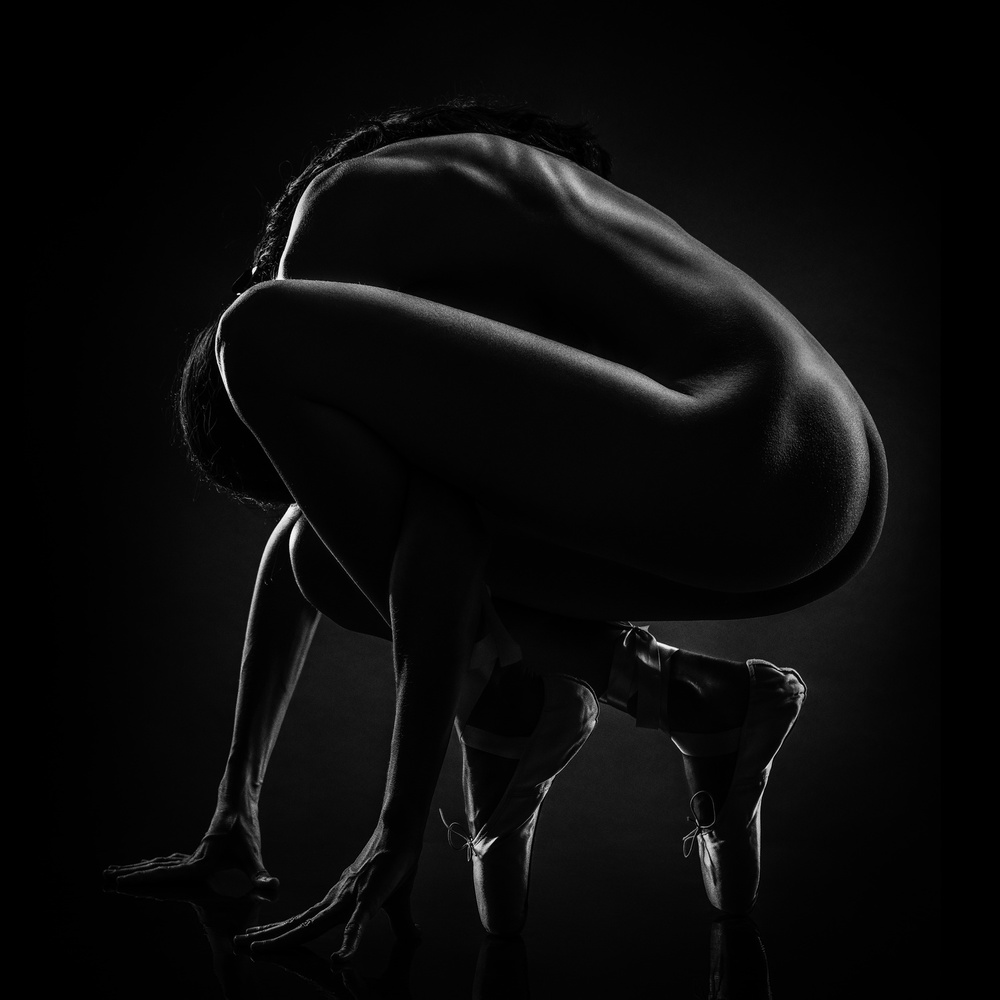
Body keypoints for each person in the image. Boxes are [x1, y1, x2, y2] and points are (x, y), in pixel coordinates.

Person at [104, 99, 887, 962]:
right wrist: (235, 806)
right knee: (324, 555)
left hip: (741, 458)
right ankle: (687, 697)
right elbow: (329, 537)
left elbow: (436, 533)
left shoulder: (317, 250)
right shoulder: (440, 207)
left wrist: (398, 824)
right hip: (818, 486)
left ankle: (544, 699)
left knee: (257, 345)